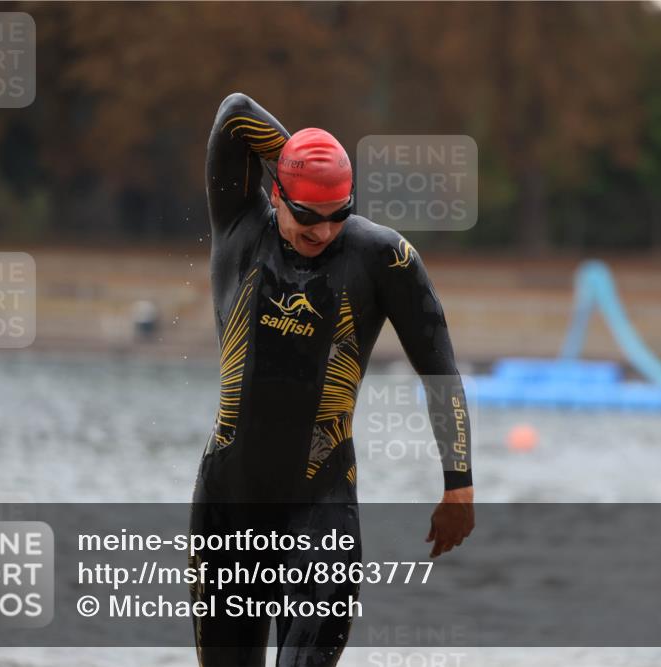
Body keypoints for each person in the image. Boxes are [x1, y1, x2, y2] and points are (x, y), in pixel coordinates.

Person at [189, 93, 474, 667]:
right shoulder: (241, 228)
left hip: (319, 504)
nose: (323, 231)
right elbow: (234, 113)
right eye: (308, 215)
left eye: (338, 214)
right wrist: (304, 158)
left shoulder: (381, 257)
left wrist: (458, 484)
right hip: (228, 505)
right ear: (277, 193)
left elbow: (438, 368)